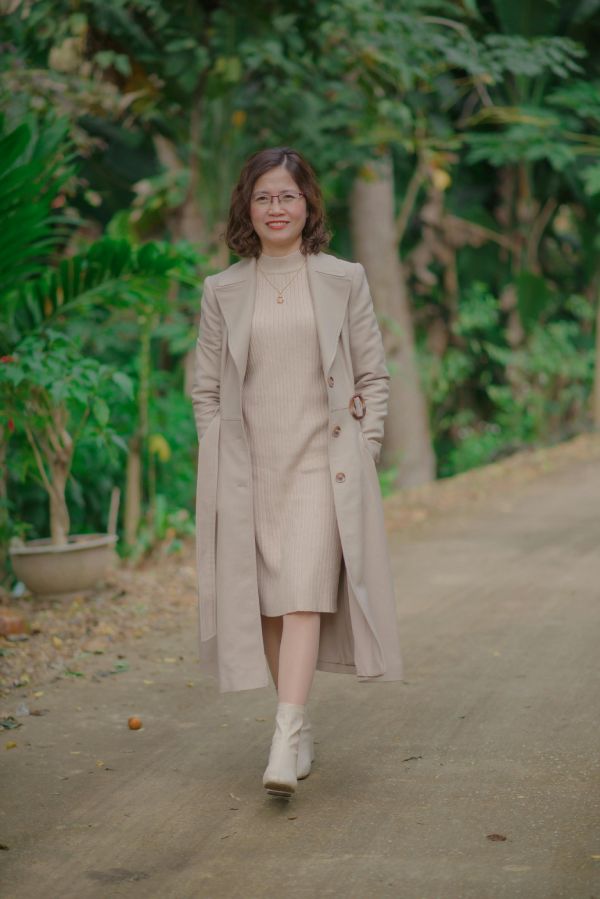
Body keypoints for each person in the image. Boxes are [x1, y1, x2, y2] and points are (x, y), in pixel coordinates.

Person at [191, 146, 403, 799]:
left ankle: (283, 735)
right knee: (275, 604)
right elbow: (205, 390)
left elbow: (373, 374)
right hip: (252, 468)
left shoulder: (344, 278)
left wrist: (364, 446)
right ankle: (299, 719)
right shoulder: (222, 289)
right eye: (263, 197)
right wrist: (217, 451)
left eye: (287, 195)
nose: (276, 207)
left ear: (307, 203)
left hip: (323, 463)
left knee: (306, 590)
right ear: (247, 209)